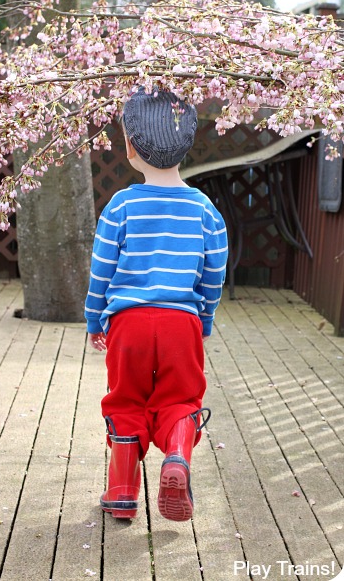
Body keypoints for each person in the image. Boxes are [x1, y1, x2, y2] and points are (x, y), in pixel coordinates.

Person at [85, 87, 228, 522]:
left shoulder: (122, 205)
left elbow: (101, 270)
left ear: (130, 145)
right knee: (181, 397)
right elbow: (213, 275)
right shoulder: (205, 210)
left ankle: (123, 491)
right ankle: (177, 457)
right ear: (187, 143)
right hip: (180, 323)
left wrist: (96, 320)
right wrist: (203, 320)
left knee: (125, 400)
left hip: (127, 322)